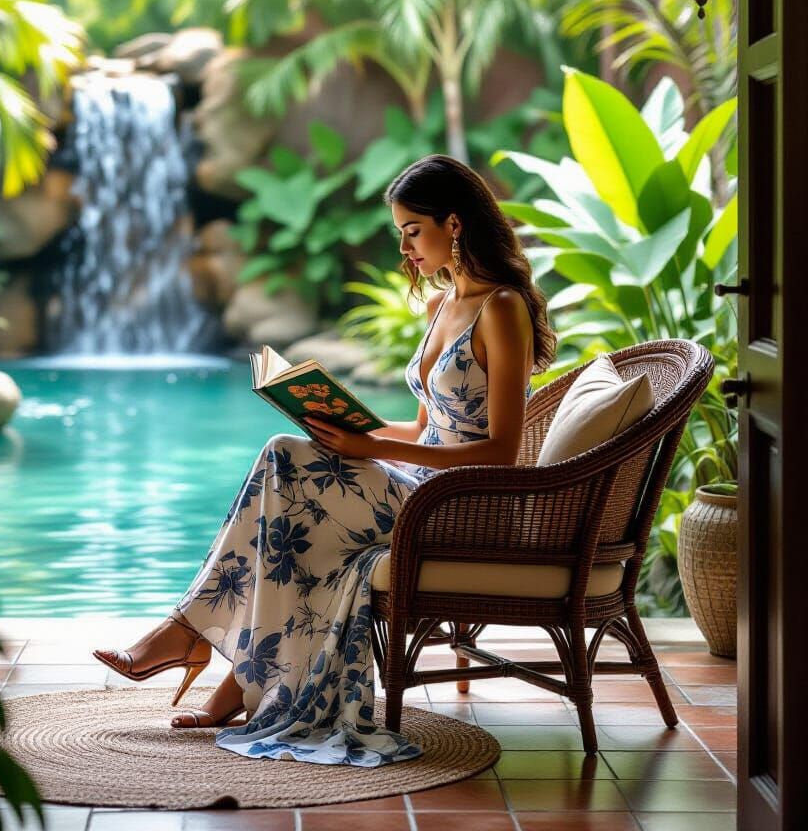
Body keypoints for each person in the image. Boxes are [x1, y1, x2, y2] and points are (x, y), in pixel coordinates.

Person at [94, 154, 557, 766]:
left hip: (463, 503)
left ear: (455, 223)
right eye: (401, 233)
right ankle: (226, 672)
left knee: (286, 463)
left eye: (412, 231)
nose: (405, 248)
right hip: (415, 482)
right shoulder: (441, 306)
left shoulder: (502, 308)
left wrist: (371, 449)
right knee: (293, 475)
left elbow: (500, 449)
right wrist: (348, 425)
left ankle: (199, 645)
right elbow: (424, 426)